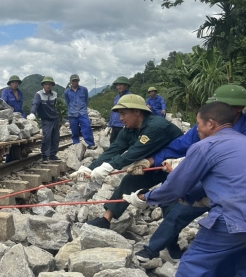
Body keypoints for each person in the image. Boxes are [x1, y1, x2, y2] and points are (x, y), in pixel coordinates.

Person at [123, 101, 246, 277]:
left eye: (198, 123)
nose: (196, 129)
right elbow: (219, 180)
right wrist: (191, 197)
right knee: (241, 262)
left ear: (211, 123)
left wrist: (145, 198)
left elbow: (176, 186)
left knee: (194, 261)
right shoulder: (241, 142)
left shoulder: (205, 146)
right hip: (240, 217)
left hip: (234, 218)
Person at [129, 85, 246, 264]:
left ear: (237, 108)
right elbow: (179, 145)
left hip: (233, 195)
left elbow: (177, 185)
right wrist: (152, 161)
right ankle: (152, 249)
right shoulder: (206, 125)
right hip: (206, 184)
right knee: (179, 212)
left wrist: (150, 197)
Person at [69, 94, 183, 229]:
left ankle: (171, 235)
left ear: (137, 112)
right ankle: (106, 220)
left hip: (177, 167)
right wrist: (89, 168)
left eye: (123, 114)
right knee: (129, 181)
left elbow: (134, 153)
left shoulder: (156, 126)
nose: (121, 118)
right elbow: (113, 150)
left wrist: (108, 167)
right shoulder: (128, 131)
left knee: (170, 199)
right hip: (153, 165)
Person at [30, 76, 61, 163]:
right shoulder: (39, 94)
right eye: (46, 84)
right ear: (43, 85)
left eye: (50, 84)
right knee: (46, 137)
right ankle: (44, 156)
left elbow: (55, 106)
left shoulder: (54, 94)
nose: (48, 86)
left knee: (55, 138)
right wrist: (32, 113)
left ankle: (52, 155)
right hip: (46, 119)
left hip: (55, 118)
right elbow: (35, 104)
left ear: (52, 85)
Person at [64, 74, 96, 149]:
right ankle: (76, 145)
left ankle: (91, 144)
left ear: (78, 81)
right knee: (74, 130)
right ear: (70, 81)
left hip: (83, 112)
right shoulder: (67, 92)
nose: (75, 82)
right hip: (72, 114)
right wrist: (72, 109)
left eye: (76, 80)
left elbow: (86, 100)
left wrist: (83, 108)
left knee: (87, 127)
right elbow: (67, 102)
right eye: (73, 81)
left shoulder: (84, 89)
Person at [107, 76, 132, 144]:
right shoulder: (117, 97)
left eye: (120, 85)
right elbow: (114, 111)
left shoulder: (130, 97)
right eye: (117, 85)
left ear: (126, 85)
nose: (118, 87)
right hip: (115, 125)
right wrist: (111, 123)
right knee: (112, 142)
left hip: (123, 125)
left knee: (122, 143)